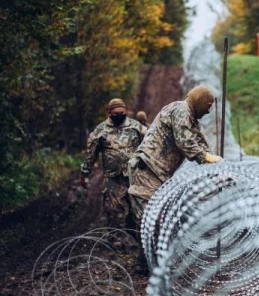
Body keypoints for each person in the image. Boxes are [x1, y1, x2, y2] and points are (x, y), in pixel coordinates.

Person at [127, 85, 223, 270]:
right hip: (146, 168)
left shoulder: (192, 119)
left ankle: (150, 261)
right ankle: (150, 263)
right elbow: (184, 141)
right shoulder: (180, 110)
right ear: (199, 102)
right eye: (207, 105)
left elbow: (202, 142)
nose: (209, 110)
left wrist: (217, 165)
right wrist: (206, 158)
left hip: (159, 174)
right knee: (150, 218)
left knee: (157, 217)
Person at [80, 98, 147, 229]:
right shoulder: (100, 131)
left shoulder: (136, 127)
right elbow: (90, 154)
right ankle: (117, 239)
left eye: (122, 112)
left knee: (137, 210)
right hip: (113, 178)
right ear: (110, 113)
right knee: (115, 211)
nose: (119, 115)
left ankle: (135, 236)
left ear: (125, 111)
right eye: (116, 113)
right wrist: (84, 174)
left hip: (134, 176)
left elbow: (150, 145)